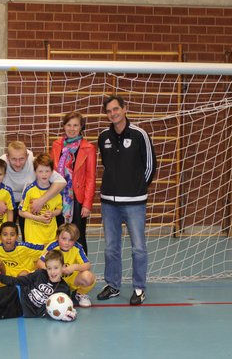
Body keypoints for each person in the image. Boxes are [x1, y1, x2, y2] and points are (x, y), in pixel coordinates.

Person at [96, 95, 157, 306]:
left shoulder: (140, 134)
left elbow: (150, 166)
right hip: (109, 203)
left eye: (116, 109)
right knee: (110, 248)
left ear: (124, 109)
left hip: (135, 202)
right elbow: (107, 165)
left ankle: (139, 288)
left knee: (138, 247)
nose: (113, 114)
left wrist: (137, 188)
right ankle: (113, 285)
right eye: (109, 111)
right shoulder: (103, 136)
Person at [0, 141, 66, 240]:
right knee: (6, 233)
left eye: (21, 159)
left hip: (29, 203)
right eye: (14, 159)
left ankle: (58, 243)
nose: (18, 163)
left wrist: (41, 201)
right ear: (7, 157)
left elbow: (61, 182)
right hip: (8, 204)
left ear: (27, 156)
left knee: (54, 213)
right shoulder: (0, 164)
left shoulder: (35, 164)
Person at [51, 111, 97, 253]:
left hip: (78, 198)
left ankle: (82, 265)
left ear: (81, 127)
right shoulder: (56, 145)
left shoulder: (88, 148)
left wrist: (87, 204)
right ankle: (59, 265)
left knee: (78, 235)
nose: (72, 129)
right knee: (59, 235)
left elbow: (91, 178)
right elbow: (51, 172)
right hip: (58, 196)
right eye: (69, 125)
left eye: (75, 125)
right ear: (64, 126)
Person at [38, 223, 96, 308]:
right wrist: (55, 270)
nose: (67, 243)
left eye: (71, 240)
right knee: (39, 274)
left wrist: (74, 267)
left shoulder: (77, 247)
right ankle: (50, 292)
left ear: (75, 240)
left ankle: (80, 294)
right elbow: (40, 263)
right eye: (64, 239)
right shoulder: (52, 246)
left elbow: (87, 265)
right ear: (57, 237)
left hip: (71, 279)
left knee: (88, 277)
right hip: (54, 279)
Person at [19, 153, 62, 245]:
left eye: (47, 171)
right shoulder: (29, 190)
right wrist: (38, 218)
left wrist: (52, 213)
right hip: (33, 237)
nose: (44, 174)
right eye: (40, 171)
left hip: (50, 237)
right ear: (35, 172)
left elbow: (59, 209)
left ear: (52, 172)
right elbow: (21, 212)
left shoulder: (55, 191)